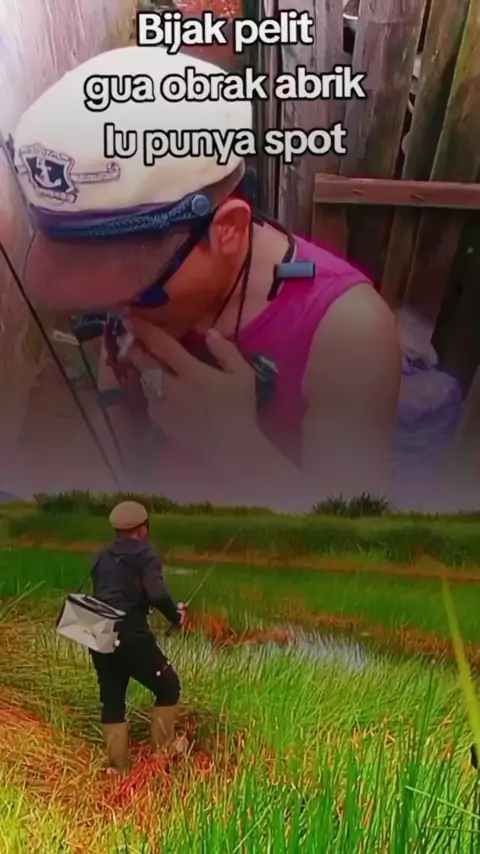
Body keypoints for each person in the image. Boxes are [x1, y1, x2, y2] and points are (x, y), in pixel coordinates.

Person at [11, 46, 403, 511]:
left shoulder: (347, 333)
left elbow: (352, 542)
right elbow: (118, 427)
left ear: (228, 231)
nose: (120, 314)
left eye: (136, 288)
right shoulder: (139, 303)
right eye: (99, 298)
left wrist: (233, 445)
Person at [89, 500, 186, 772]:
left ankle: (117, 768)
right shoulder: (146, 553)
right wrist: (177, 616)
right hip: (131, 633)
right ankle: (161, 757)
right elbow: (157, 593)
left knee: (112, 699)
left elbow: (109, 593)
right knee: (168, 686)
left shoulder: (102, 555)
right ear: (143, 528)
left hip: (98, 630)